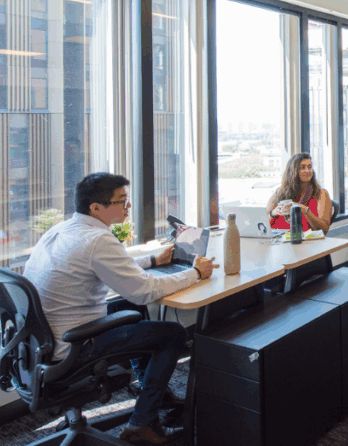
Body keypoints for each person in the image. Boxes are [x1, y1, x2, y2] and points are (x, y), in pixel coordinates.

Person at [23, 173, 218, 446]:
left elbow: (110, 268)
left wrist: (152, 261)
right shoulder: (97, 240)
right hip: (74, 346)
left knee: (126, 305)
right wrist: (195, 273)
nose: (128, 207)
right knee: (172, 334)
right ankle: (142, 424)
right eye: (122, 201)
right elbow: (144, 291)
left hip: (44, 343)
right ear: (96, 208)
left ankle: (154, 395)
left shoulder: (62, 231)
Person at [265, 152, 332, 233]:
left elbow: (324, 230)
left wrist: (305, 210)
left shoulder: (321, 194)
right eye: (302, 167)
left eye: (309, 167)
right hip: (277, 238)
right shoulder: (280, 193)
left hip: (303, 240)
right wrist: (273, 213)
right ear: (292, 171)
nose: (307, 170)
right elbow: (261, 223)